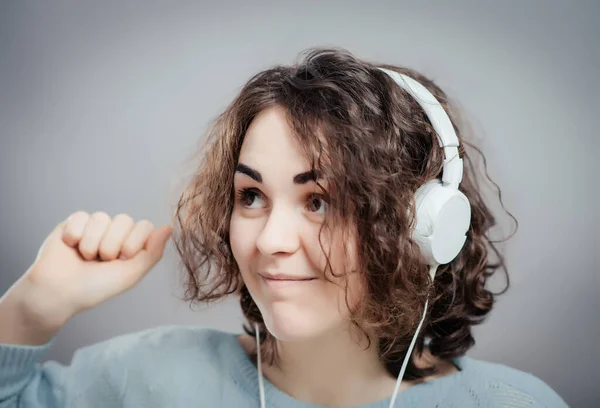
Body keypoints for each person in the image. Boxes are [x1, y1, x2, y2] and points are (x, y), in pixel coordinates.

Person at [0, 47, 567, 408]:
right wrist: (28, 311)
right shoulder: (142, 380)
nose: (269, 241)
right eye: (251, 196)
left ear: (423, 225)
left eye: (319, 201)